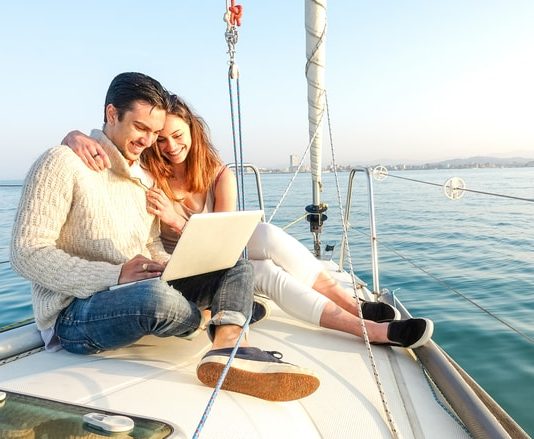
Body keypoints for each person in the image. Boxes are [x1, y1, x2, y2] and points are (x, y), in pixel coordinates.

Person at [10, 72, 319, 402]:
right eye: (140, 127)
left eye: (154, 133)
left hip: (136, 286)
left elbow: (151, 244)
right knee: (155, 300)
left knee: (234, 264)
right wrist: (114, 274)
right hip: (74, 313)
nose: (147, 140)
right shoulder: (62, 162)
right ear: (112, 114)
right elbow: (26, 252)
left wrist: (173, 267)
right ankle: (216, 315)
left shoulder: (143, 176)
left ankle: (228, 346)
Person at [62, 93, 434, 349]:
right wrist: (73, 136)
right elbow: (112, 148)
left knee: (267, 238)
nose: (169, 146)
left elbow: (223, 240)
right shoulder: (146, 170)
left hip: (216, 262)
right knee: (266, 273)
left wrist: (180, 218)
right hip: (181, 267)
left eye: (177, 135)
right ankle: (369, 329)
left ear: (193, 129)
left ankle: (355, 308)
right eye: (160, 139)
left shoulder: (218, 174)